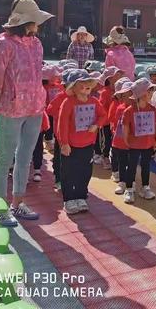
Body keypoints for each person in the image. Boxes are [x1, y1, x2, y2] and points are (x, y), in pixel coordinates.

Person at [0, 0, 54, 226]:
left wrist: (41, 101)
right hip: (10, 109)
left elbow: (37, 74)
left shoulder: (36, 44)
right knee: (5, 159)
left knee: (24, 158)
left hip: (34, 109)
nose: (38, 25)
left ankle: (17, 204)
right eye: (36, 21)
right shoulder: (4, 44)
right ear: (26, 22)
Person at [58, 70, 107, 215]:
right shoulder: (68, 103)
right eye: (82, 84)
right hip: (71, 145)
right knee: (68, 172)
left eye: (88, 84)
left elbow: (103, 115)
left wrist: (97, 125)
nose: (86, 87)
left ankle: (81, 196)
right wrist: (64, 143)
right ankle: (69, 199)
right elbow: (62, 124)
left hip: (88, 144)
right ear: (73, 87)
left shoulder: (94, 101)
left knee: (85, 171)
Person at [122, 78, 156, 204]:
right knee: (131, 166)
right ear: (141, 94)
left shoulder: (153, 109)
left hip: (148, 144)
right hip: (134, 144)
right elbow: (125, 126)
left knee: (146, 166)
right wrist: (126, 140)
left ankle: (145, 187)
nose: (151, 94)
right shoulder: (129, 110)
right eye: (149, 91)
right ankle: (129, 188)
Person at [110, 79, 133, 196]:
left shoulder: (136, 108)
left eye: (129, 94)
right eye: (124, 95)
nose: (126, 97)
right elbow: (116, 124)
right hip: (121, 140)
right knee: (122, 161)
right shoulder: (119, 108)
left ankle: (130, 182)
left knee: (132, 162)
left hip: (133, 141)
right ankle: (122, 182)